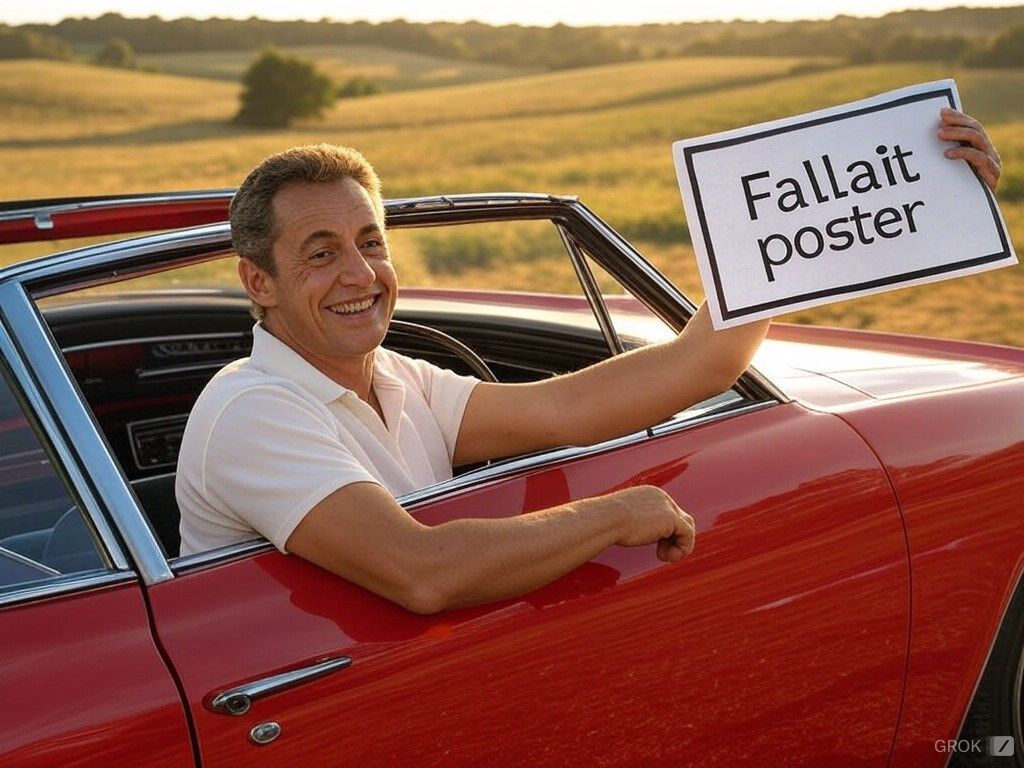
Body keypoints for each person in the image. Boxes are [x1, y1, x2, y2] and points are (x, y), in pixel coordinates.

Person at [176, 107, 1001, 614]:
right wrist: (612, 515)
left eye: (370, 242)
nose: (361, 275)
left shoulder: (396, 376)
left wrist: (910, 192)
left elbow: (613, 395)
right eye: (321, 253)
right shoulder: (253, 408)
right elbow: (421, 572)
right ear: (260, 282)